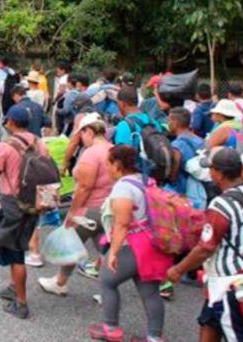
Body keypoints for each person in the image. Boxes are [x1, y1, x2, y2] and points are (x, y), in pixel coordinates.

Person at [167, 148, 243, 342]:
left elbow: (205, 248)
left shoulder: (221, 205)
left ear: (221, 173)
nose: (210, 173)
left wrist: (178, 269)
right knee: (208, 324)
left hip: (229, 284)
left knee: (235, 334)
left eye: (213, 169)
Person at [0, 105, 49, 319]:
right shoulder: (40, 144)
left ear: (11, 122)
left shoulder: (5, 146)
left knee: (15, 254)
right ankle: (14, 286)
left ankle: (21, 303)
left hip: (13, 205)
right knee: (20, 244)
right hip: (35, 203)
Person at [89, 145, 169, 342]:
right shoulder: (146, 180)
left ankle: (111, 328)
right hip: (152, 243)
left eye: (108, 163)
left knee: (107, 281)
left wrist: (113, 253)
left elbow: (123, 223)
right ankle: (154, 337)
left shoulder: (123, 188)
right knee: (150, 292)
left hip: (132, 246)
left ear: (117, 164)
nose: (107, 168)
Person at [39, 113, 114, 295]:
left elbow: (84, 187)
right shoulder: (112, 149)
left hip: (90, 208)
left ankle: (60, 282)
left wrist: (73, 213)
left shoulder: (91, 153)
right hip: (109, 208)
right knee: (106, 250)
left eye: (81, 134)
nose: (80, 139)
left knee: (71, 244)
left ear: (88, 131)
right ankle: (108, 291)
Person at [168, 107, 205, 195]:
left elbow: (173, 175)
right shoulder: (200, 140)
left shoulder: (177, 145)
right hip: (201, 189)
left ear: (175, 122)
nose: (168, 124)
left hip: (184, 190)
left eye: (169, 121)